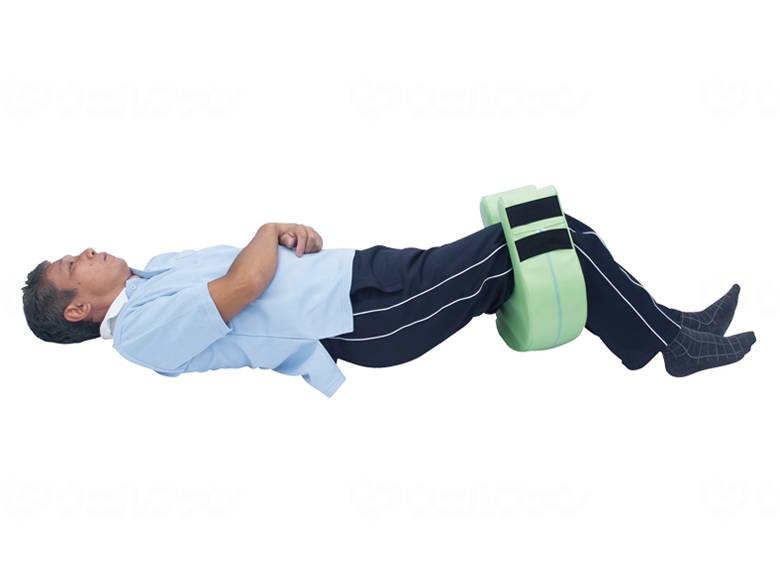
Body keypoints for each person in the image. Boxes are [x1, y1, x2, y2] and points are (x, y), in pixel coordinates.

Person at [21, 213, 757, 397]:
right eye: (72, 265)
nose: (85, 251)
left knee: (552, 229)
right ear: (78, 310)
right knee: (531, 245)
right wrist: (267, 230)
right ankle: (672, 344)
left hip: (357, 273)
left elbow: (257, 265)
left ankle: (667, 329)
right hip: (359, 322)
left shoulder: (155, 273)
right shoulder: (139, 331)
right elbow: (243, 285)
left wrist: (286, 235)